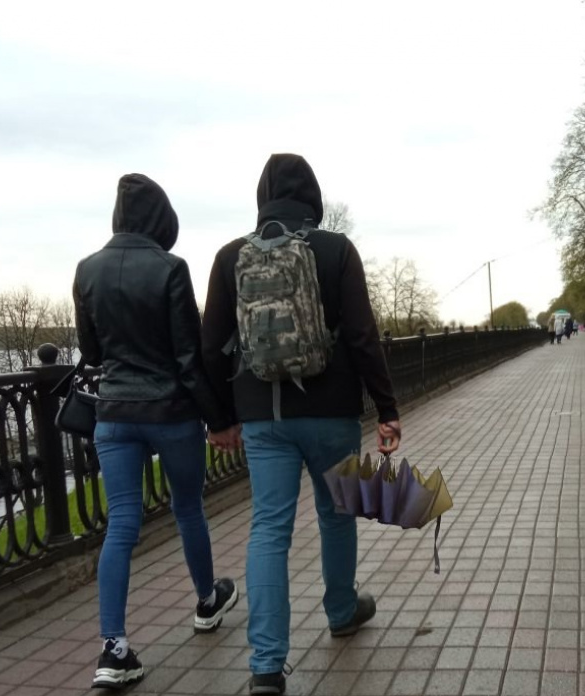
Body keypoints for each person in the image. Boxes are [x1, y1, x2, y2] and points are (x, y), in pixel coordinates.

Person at [202, 154, 399, 696]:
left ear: (262, 196)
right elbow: (362, 335)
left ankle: (267, 667)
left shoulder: (230, 257)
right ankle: (342, 610)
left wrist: (219, 418)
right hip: (332, 412)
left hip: (262, 418)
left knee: (269, 529)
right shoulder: (336, 249)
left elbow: (210, 346)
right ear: (312, 194)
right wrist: (387, 407)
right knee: (337, 515)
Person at [73, 174, 239, 690]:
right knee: (188, 508)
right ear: (161, 218)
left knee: (121, 524)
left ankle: (114, 650)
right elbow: (189, 357)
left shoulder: (87, 269)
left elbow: (92, 352)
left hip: (113, 414)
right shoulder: (171, 268)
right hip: (171, 413)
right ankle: (207, 602)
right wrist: (219, 418)